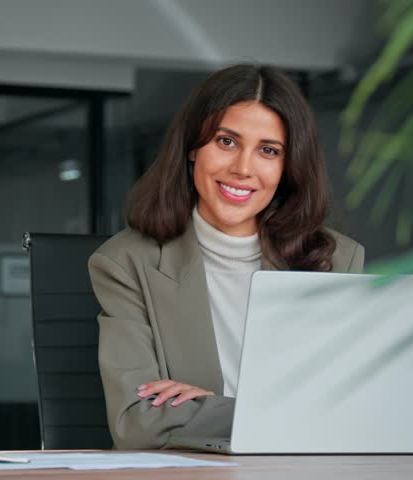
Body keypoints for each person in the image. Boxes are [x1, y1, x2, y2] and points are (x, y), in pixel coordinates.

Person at [88, 64, 365, 449]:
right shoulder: (125, 263)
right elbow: (136, 422)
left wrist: (211, 407)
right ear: (192, 149)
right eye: (226, 142)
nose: (243, 169)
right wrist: (283, 414)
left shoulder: (335, 260)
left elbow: (353, 410)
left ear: (288, 167)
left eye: (268, 150)